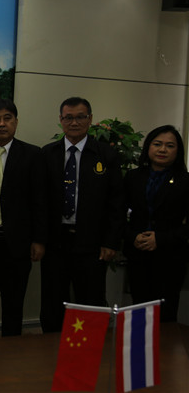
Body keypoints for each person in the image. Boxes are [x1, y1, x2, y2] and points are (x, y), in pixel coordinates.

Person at [40, 97, 125, 333]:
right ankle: (51, 347)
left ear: (90, 119)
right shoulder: (47, 154)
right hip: (55, 242)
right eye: (68, 117)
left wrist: (111, 241)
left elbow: (116, 202)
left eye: (80, 117)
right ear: (61, 120)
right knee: (52, 300)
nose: (74, 122)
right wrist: (39, 239)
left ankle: (89, 348)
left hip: (92, 243)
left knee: (91, 300)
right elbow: (40, 201)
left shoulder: (105, 154)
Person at [0, 98, 47, 338]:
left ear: (16, 122)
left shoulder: (33, 155)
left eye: (7, 118)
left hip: (18, 244)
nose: (2, 124)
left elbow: (40, 201)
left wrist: (39, 240)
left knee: (14, 303)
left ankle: (11, 351)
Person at [123, 125, 189, 322]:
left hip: (170, 256)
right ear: (148, 147)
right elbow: (117, 214)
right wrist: (132, 236)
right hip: (138, 254)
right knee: (139, 310)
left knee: (165, 313)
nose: (163, 150)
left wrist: (160, 239)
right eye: (157, 144)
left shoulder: (185, 181)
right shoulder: (133, 177)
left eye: (170, 146)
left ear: (178, 151)